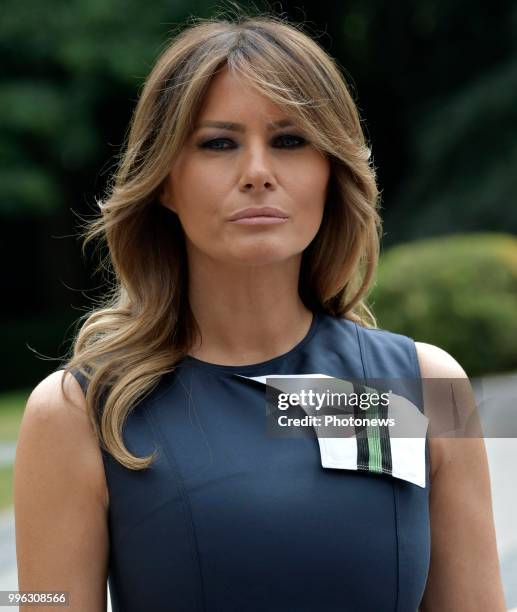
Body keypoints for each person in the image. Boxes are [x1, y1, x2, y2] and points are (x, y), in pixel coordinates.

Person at [14, 10, 506, 612]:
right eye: (218, 143)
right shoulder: (79, 415)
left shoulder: (424, 387)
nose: (257, 173)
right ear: (165, 181)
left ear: (332, 171)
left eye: (290, 140)